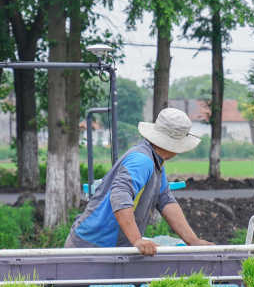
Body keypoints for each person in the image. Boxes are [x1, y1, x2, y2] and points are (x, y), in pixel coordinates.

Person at [64, 108, 212, 256]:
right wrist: (137, 240)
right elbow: (120, 196)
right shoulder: (142, 161)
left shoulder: (156, 161)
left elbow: (165, 200)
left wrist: (193, 241)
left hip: (112, 247)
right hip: (92, 246)